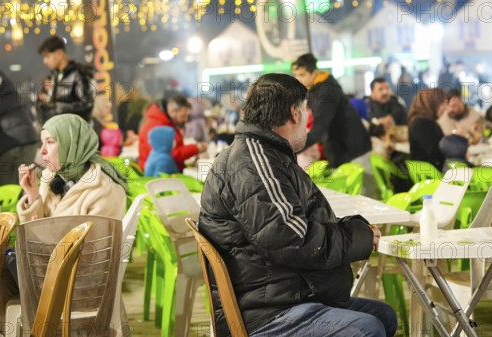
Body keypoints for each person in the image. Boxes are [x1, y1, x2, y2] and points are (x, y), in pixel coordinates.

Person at [198, 73, 397, 337]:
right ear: (294, 112)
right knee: (366, 329)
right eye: (306, 110)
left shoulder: (267, 154)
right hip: (265, 313)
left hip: (282, 292)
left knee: (383, 315)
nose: (307, 121)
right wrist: (358, 236)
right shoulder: (254, 161)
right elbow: (291, 240)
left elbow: (296, 224)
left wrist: (354, 229)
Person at [0, 114, 128, 334]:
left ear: (71, 142)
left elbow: (93, 254)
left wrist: (41, 240)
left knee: (0, 270)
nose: (42, 151)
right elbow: (36, 229)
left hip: (80, 283)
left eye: (50, 142)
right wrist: (32, 195)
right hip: (44, 270)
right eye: (42, 143)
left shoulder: (105, 190)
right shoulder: (52, 179)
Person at [292, 53, 371, 168]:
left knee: (361, 184)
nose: (297, 79)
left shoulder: (326, 91)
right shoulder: (315, 88)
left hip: (352, 150)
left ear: (314, 73)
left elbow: (319, 127)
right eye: (296, 75)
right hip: (342, 148)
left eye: (302, 75)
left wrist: (294, 149)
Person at [138, 94, 207, 171]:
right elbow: (169, 154)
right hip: (158, 174)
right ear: (173, 111)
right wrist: (195, 148)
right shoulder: (157, 126)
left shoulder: (166, 122)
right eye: (183, 116)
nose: (186, 120)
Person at [36, 35, 95, 124]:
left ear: (59, 54)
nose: (45, 61)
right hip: (57, 130)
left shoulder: (79, 73)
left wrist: (57, 108)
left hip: (76, 132)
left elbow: (87, 106)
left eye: (47, 56)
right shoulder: (53, 77)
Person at [0, 67, 38, 186]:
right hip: (28, 140)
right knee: (23, 185)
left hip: (11, 145)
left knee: (9, 189)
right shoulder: (10, 92)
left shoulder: (3, 94)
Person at [408, 88, 447, 169]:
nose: (445, 107)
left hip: (429, 172)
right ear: (431, 104)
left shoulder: (420, 121)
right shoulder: (422, 124)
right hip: (433, 175)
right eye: (442, 103)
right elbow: (435, 153)